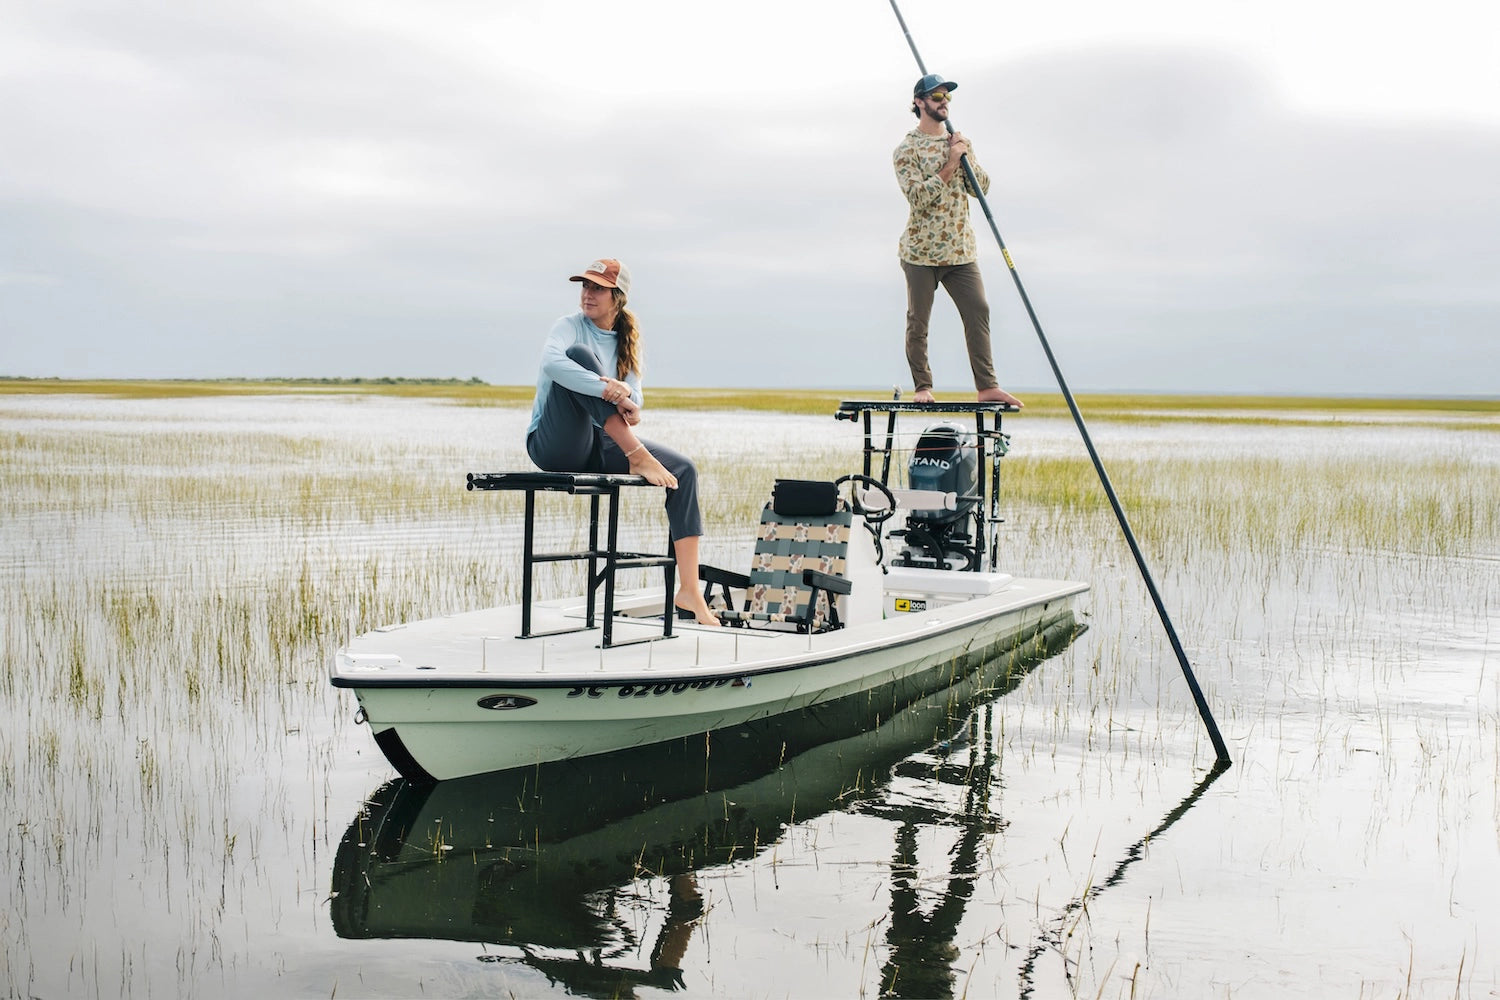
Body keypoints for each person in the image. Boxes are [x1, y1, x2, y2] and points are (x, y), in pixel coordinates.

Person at [525, 257, 721, 626]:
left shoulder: (628, 340)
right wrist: (609, 388)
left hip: (598, 442)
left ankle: (690, 590)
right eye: (585, 286)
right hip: (553, 445)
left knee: (684, 470)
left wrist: (625, 395)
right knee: (578, 358)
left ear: (618, 297)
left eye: (597, 288)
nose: (587, 294)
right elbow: (552, 364)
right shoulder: (568, 327)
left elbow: (637, 397)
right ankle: (636, 453)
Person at [893, 73, 1023, 408]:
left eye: (947, 97)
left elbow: (981, 189)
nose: (943, 101)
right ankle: (922, 386)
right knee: (919, 320)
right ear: (919, 102)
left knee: (978, 310)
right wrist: (949, 164)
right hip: (921, 252)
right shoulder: (906, 150)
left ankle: (987, 386)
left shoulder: (959, 142)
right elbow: (919, 197)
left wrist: (963, 156)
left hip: (960, 250)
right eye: (935, 96)